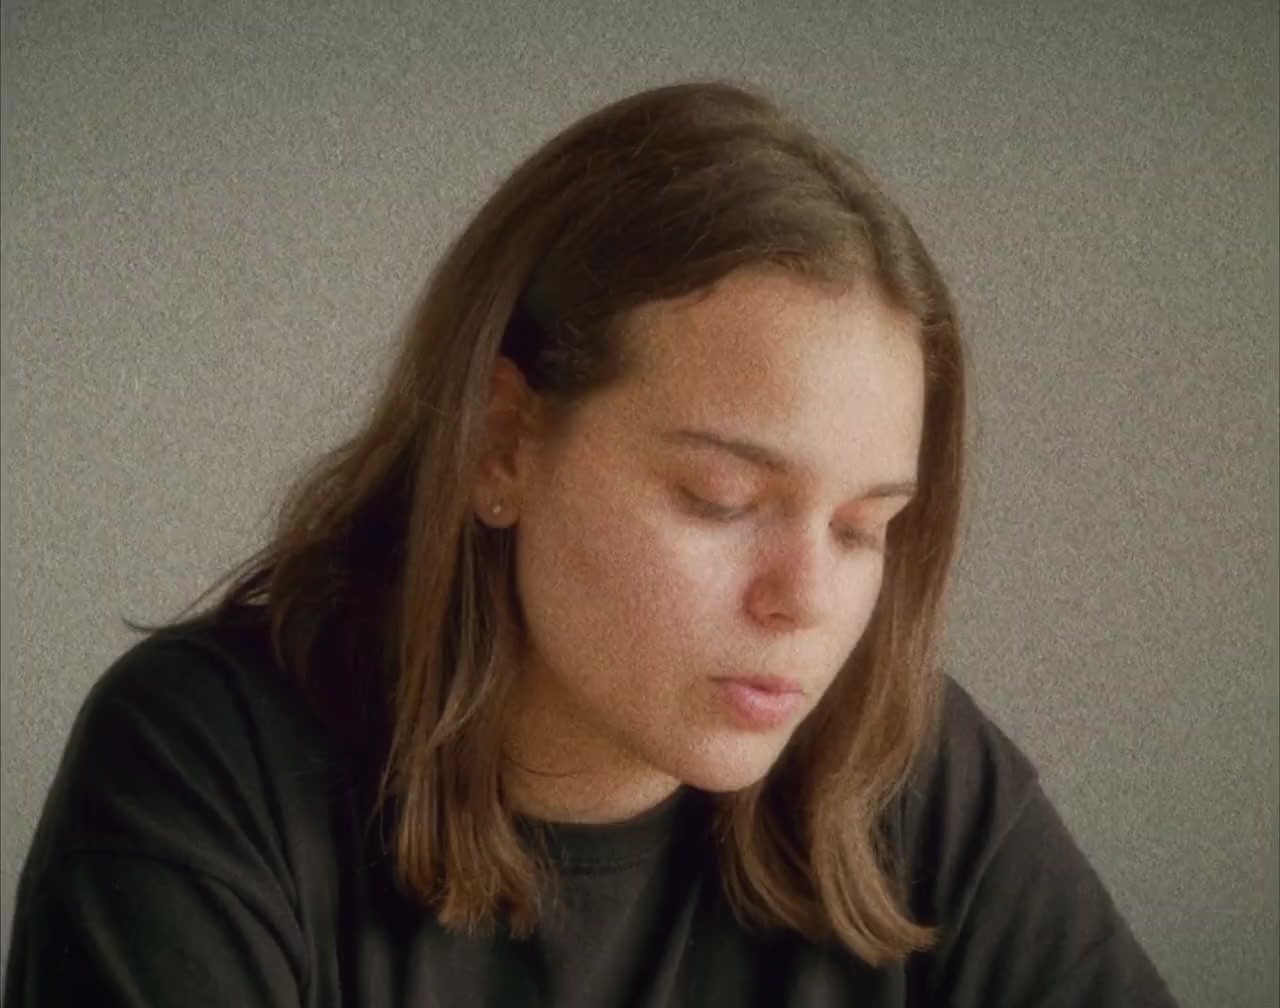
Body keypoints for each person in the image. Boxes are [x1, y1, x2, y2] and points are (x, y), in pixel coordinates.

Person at [2, 79, 1180, 1007]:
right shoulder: (207, 765)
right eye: (720, 499)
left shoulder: (909, 773)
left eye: (863, 528)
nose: (804, 601)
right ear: (500, 447)